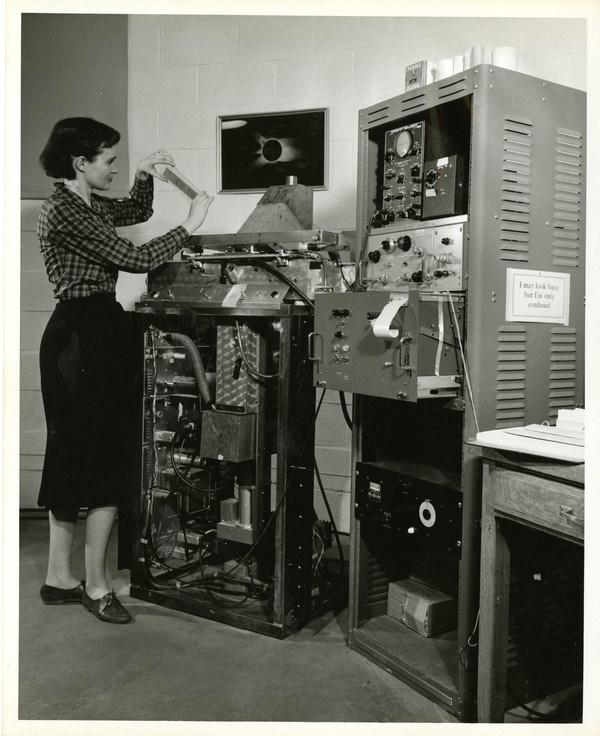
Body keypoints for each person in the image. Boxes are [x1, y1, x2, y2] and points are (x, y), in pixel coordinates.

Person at [36, 117, 213, 624]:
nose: (112, 167)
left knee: (73, 454)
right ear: (80, 162)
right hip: (84, 335)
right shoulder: (65, 210)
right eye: (109, 160)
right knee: (102, 459)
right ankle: (95, 586)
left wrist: (142, 171)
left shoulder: (83, 203)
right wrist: (189, 226)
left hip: (84, 331)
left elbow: (135, 208)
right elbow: (133, 257)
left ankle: (59, 578)